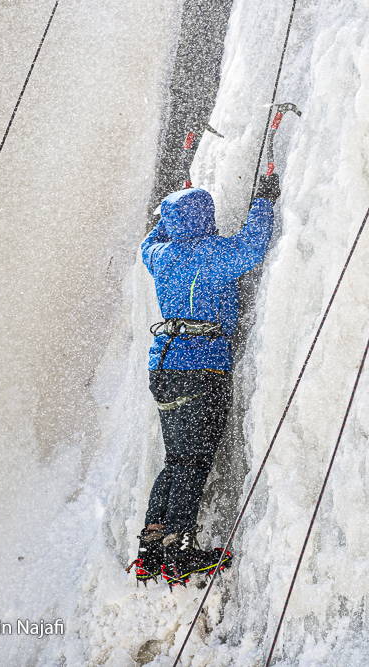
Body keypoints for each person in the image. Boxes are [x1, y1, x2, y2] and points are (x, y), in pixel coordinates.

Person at [130, 174, 280, 585]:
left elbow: (147, 242)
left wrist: (169, 221)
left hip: (163, 367)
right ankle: (180, 551)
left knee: (176, 459)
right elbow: (250, 247)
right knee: (194, 461)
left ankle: (151, 547)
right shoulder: (210, 254)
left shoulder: (160, 255)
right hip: (202, 366)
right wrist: (264, 200)